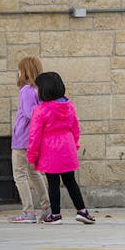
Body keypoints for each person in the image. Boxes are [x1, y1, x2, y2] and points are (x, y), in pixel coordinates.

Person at [28, 71, 95, 225]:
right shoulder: (69, 105)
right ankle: (82, 211)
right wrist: (75, 144)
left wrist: (32, 156)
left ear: (44, 89)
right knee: (71, 181)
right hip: (67, 147)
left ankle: (56, 214)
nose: (36, 91)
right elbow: (75, 127)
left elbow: (34, 136)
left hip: (50, 150)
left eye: (37, 88)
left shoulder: (40, 110)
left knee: (53, 183)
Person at [8, 56, 50, 223]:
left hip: (23, 138)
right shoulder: (39, 90)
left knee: (20, 174)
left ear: (24, 71)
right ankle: (47, 208)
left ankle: (28, 212)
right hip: (35, 138)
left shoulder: (26, 90)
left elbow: (29, 113)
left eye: (19, 69)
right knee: (35, 173)